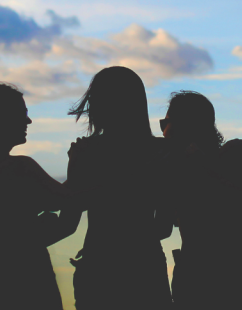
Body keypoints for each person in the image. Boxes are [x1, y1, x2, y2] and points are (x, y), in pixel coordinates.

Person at [61, 66, 172, 310]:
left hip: (98, 267)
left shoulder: (86, 153)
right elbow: (164, 227)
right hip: (146, 267)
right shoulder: (161, 151)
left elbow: (68, 222)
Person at [0, 83, 78, 310]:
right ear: (3, 118)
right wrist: (78, 165)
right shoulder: (21, 168)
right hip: (31, 285)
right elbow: (69, 200)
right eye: (22, 114)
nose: (29, 121)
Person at [159, 91, 242, 310]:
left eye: (164, 123)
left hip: (205, 276)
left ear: (180, 124)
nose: (163, 131)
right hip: (229, 272)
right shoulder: (175, 165)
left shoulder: (230, 157)